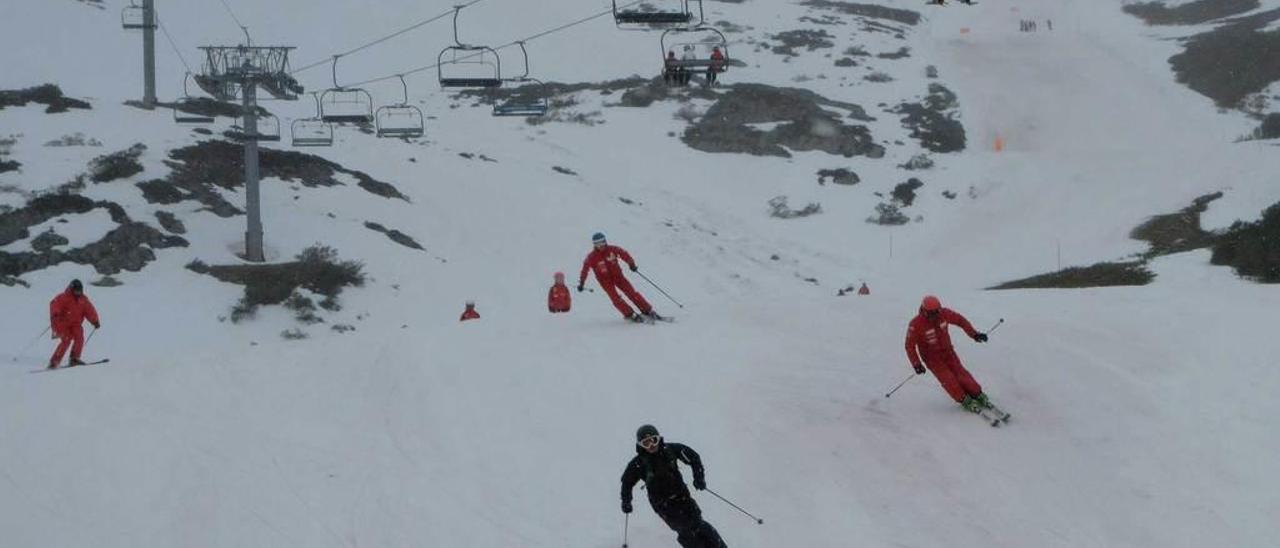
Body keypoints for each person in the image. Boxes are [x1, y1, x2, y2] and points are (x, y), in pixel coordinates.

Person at [621, 425, 727, 548]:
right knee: (684, 530)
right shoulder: (638, 463)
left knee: (697, 523)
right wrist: (626, 501)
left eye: (653, 440)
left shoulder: (670, 450)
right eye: (646, 443)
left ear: (658, 439)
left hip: (682, 496)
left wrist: (699, 478)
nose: (651, 446)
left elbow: (693, 457)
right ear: (640, 445)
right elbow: (626, 483)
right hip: (662, 504)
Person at [904, 295, 992, 412]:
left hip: (948, 352)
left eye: (937, 312)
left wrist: (974, 334)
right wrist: (916, 364)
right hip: (932, 358)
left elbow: (961, 321)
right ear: (924, 311)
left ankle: (977, 393)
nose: (935, 315)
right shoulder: (915, 324)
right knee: (948, 379)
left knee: (961, 373)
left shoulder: (944, 314)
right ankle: (963, 399)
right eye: (931, 313)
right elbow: (909, 346)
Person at [577, 232, 659, 323]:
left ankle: (647, 310)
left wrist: (631, 263)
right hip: (605, 281)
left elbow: (624, 254)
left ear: (605, 241)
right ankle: (629, 314)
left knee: (632, 293)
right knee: (615, 298)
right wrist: (582, 282)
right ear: (594, 245)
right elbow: (585, 270)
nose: (601, 246)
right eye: (597, 244)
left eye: (602, 242)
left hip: (618, 277)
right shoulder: (591, 257)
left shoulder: (612, 250)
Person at [48, 279, 99, 369]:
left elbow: (89, 310)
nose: (78, 292)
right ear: (72, 289)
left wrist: (95, 321)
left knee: (79, 338)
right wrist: (56, 313)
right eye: (76, 290)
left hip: (76, 324)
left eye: (79, 291)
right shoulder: (63, 297)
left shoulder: (83, 300)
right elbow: (54, 304)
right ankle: (54, 361)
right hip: (63, 323)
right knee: (66, 341)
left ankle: (74, 358)